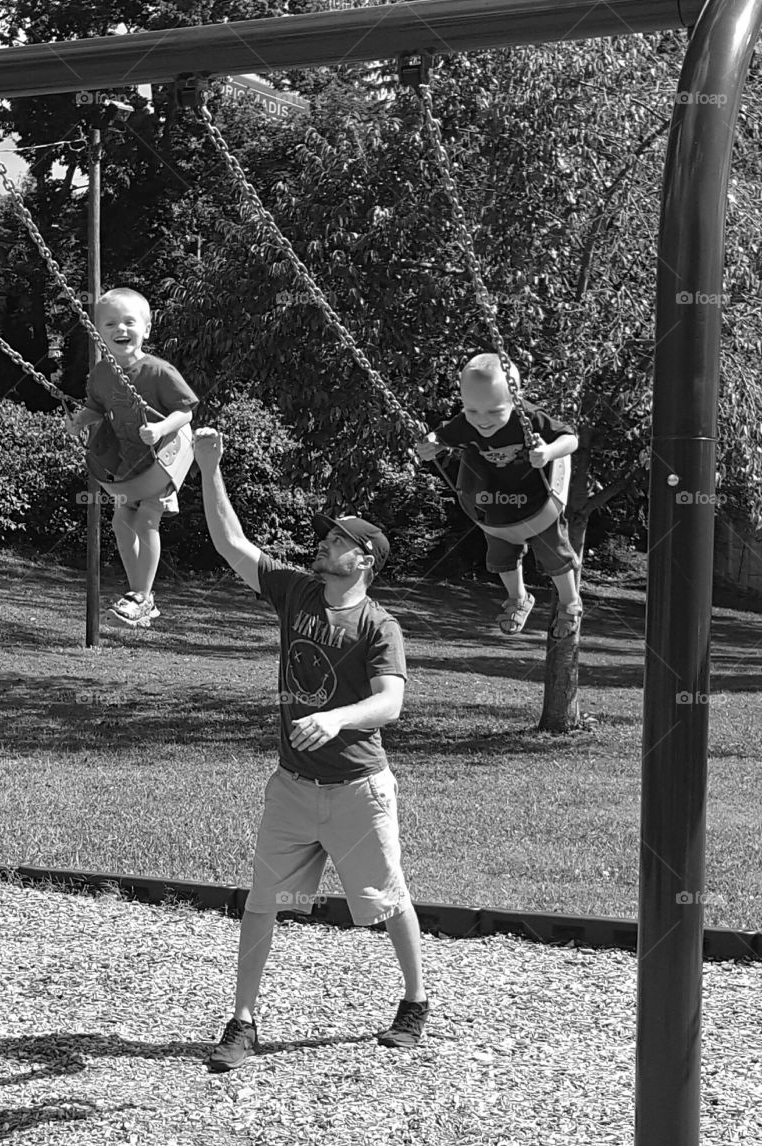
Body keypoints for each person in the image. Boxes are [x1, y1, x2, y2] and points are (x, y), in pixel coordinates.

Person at [193, 426, 429, 1074]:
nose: (325, 544)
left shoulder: (380, 626)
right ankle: (243, 1021)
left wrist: (335, 719)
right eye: (327, 538)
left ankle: (415, 1001)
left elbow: (390, 702)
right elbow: (232, 544)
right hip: (293, 786)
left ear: (365, 560)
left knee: (389, 902)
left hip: (358, 790)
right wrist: (210, 468)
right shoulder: (296, 591)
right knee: (261, 901)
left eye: (339, 541)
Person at [416, 352, 581, 637]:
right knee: (500, 556)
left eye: (494, 411)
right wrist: (432, 445)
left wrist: (548, 452)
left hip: (537, 497)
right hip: (497, 502)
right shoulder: (467, 422)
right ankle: (518, 598)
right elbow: (442, 437)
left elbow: (570, 439)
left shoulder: (528, 416)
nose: (483, 420)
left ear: (515, 399)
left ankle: (570, 602)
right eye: (472, 411)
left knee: (553, 553)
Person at [65, 288, 198, 628]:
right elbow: (96, 408)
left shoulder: (158, 371)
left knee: (145, 521)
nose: (120, 329)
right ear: (98, 333)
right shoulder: (101, 374)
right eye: (110, 323)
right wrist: (79, 422)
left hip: (165, 455)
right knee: (121, 522)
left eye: (129, 322)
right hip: (130, 462)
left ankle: (141, 596)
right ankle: (141, 594)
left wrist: (161, 428)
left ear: (147, 329)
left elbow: (185, 413)